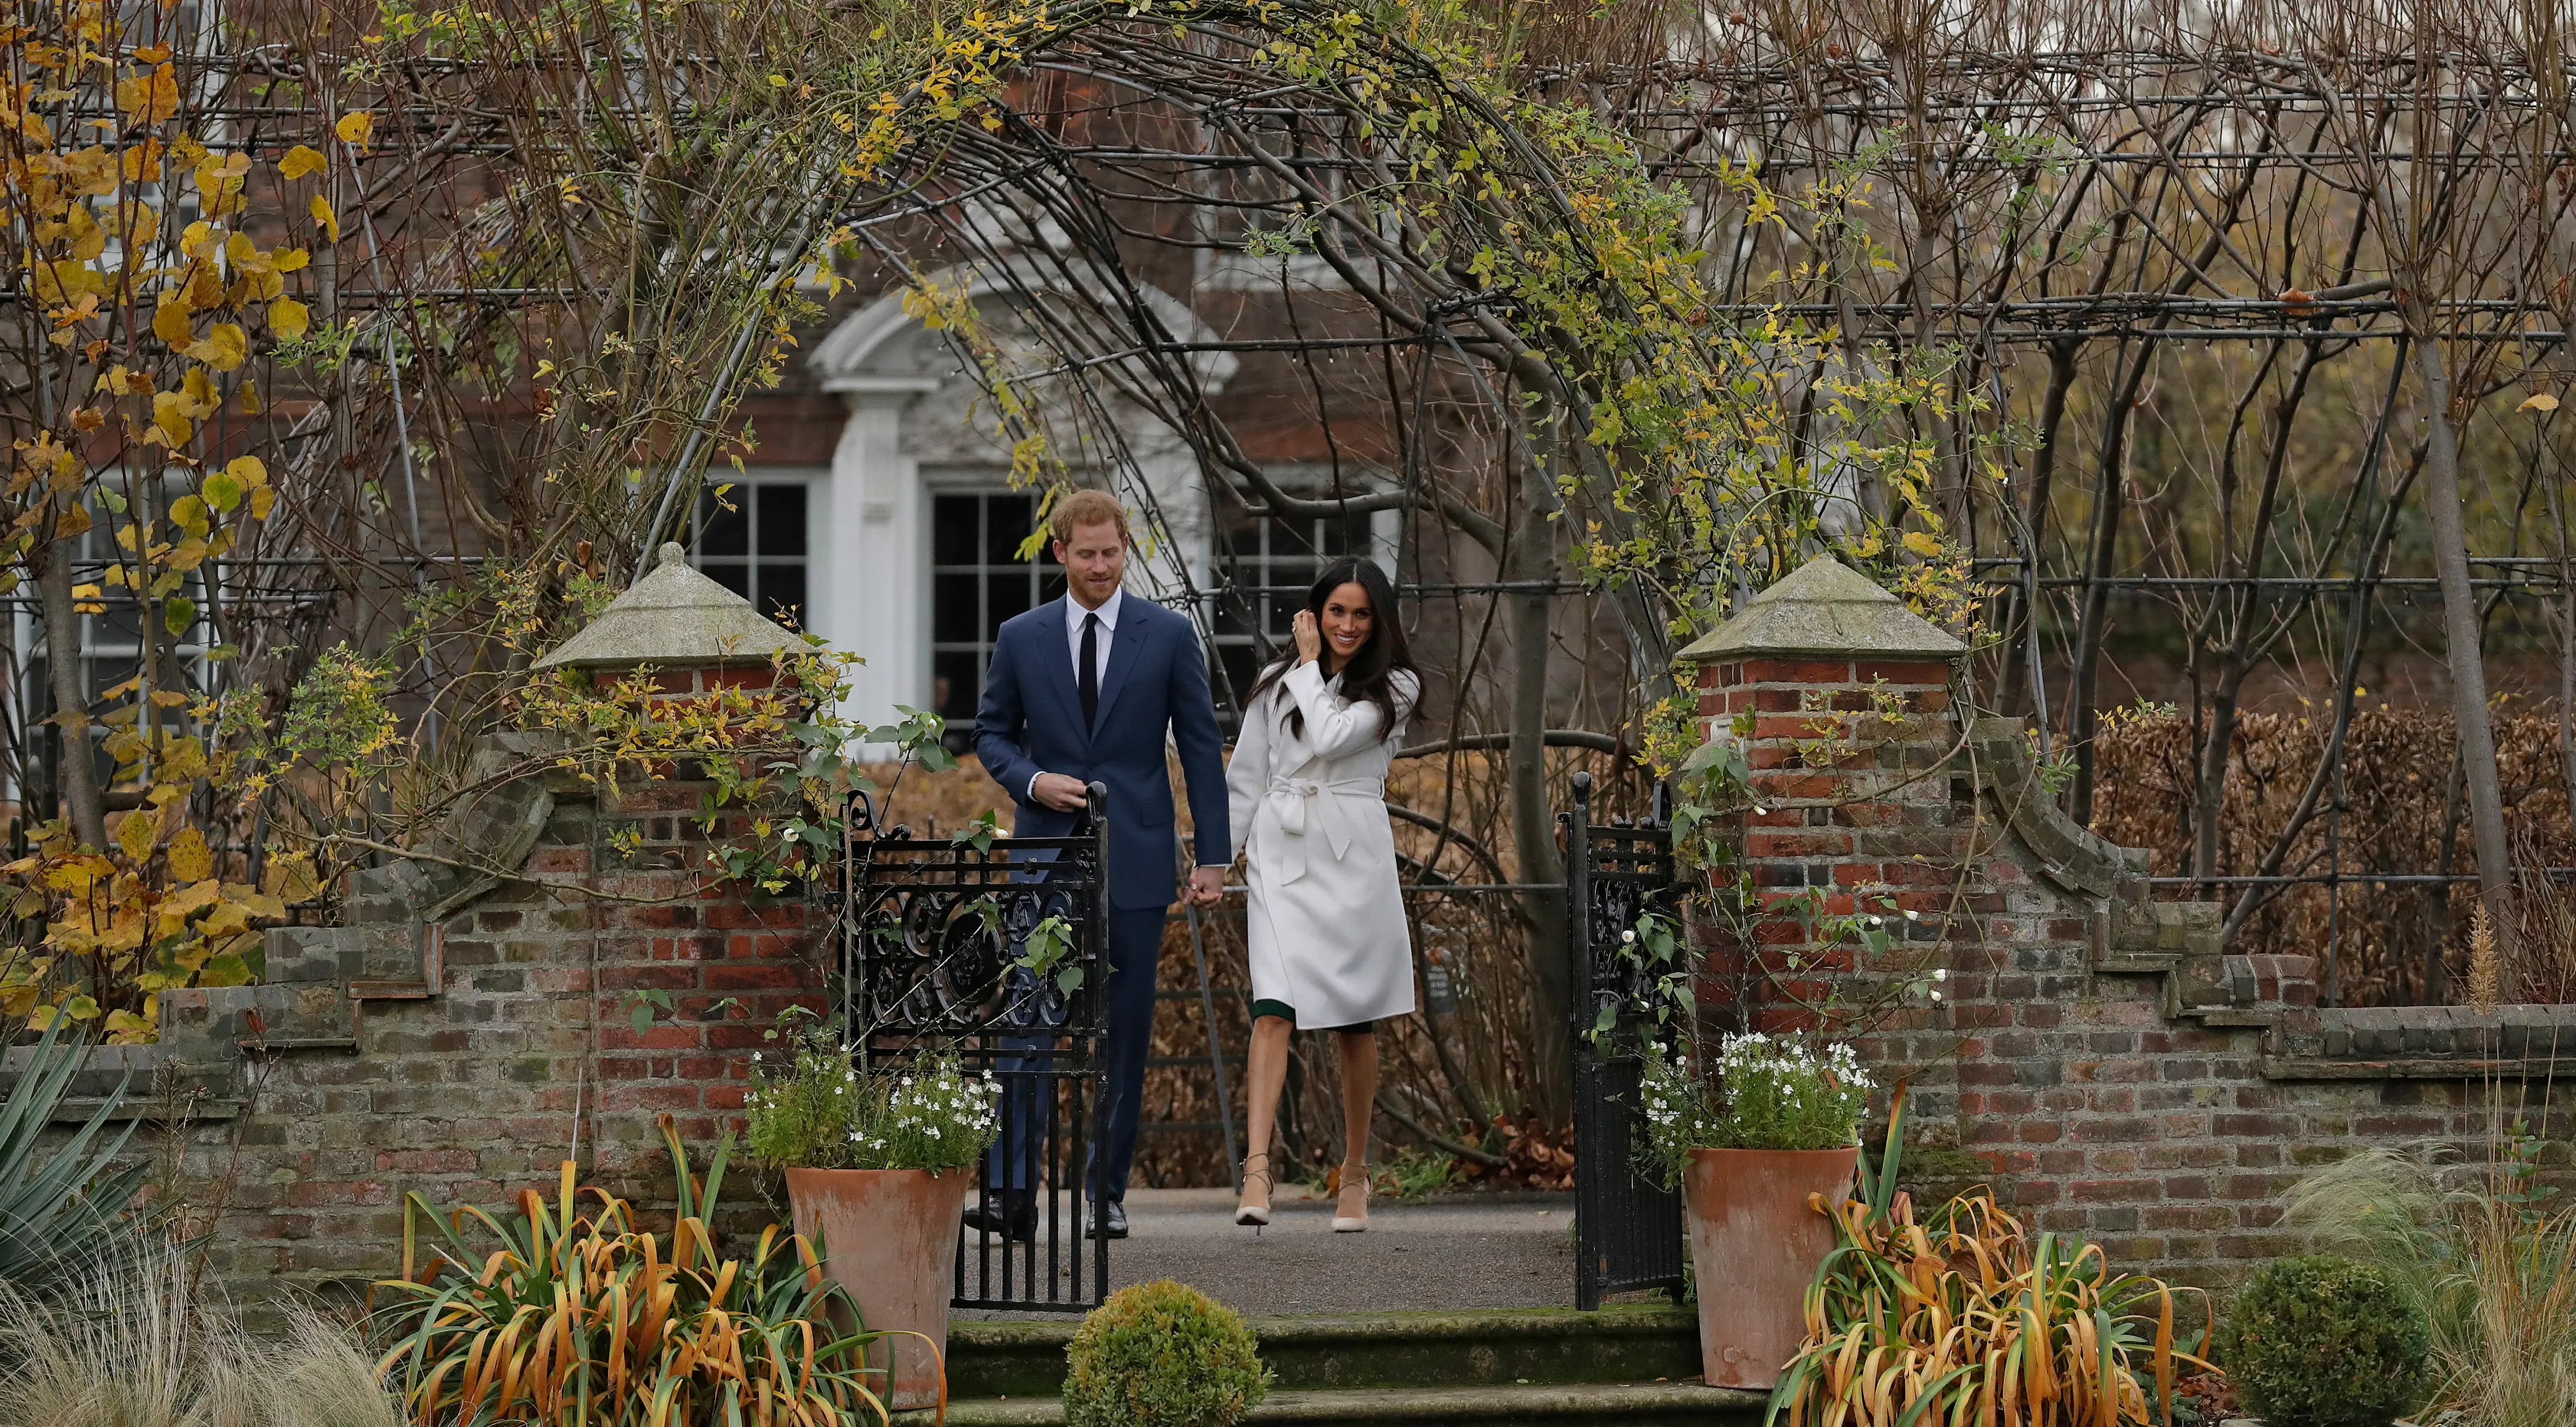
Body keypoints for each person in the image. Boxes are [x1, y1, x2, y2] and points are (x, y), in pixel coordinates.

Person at [970, 488, 1230, 1242]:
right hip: (1047, 855)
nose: (1099, 567)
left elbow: (1201, 747)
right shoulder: (1020, 637)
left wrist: (1211, 856)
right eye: (1085, 554)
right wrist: (1031, 779)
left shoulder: (1170, 634)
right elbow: (991, 734)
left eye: (1110, 553)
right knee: (1027, 1020)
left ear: (1125, 549)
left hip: (1138, 858)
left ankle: (1104, 1192)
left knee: (1125, 1028)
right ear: (1060, 553)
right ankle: (1010, 1191)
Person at [1224, 557, 1420, 1233]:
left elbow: (1335, 739)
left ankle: (1356, 1173)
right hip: (1281, 855)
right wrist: (1217, 860)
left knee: (1351, 1020)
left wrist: (1308, 666)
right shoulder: (1275, 684)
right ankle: (1256, 1171)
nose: (1346, 625)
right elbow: (1247, 774)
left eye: (1361, 613)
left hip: (1350, 859)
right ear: (1316, 611)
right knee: (1271, 1009)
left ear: (1378, 620)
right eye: (1336, 611)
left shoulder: (1397, 684)